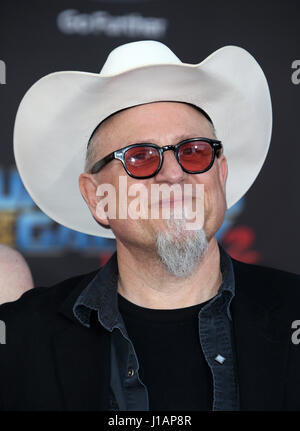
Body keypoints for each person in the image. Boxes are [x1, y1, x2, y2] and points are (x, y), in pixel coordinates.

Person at [0, 40, 299, 411]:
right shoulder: (21, 339)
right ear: (96, 198)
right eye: (140, 158)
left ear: (220, 174)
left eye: (194, 151)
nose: (174, 175)